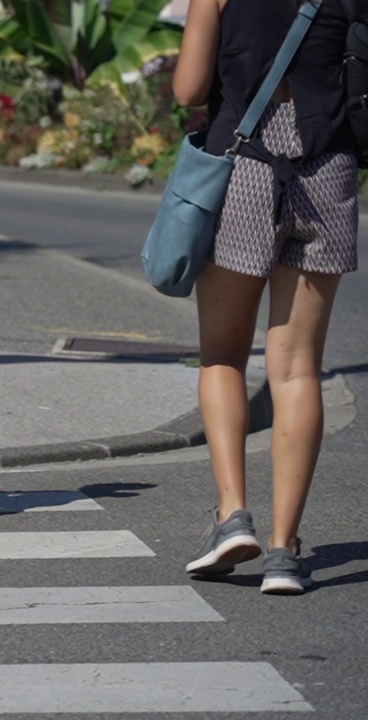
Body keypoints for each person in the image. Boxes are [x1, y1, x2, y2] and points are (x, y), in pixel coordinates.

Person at [173, 0, 358, 594]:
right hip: (327, 171)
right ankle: (283, 550)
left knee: (223, 356)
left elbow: (188, 90)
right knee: (299, 370)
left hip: (244, 166)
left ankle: (232, 516)